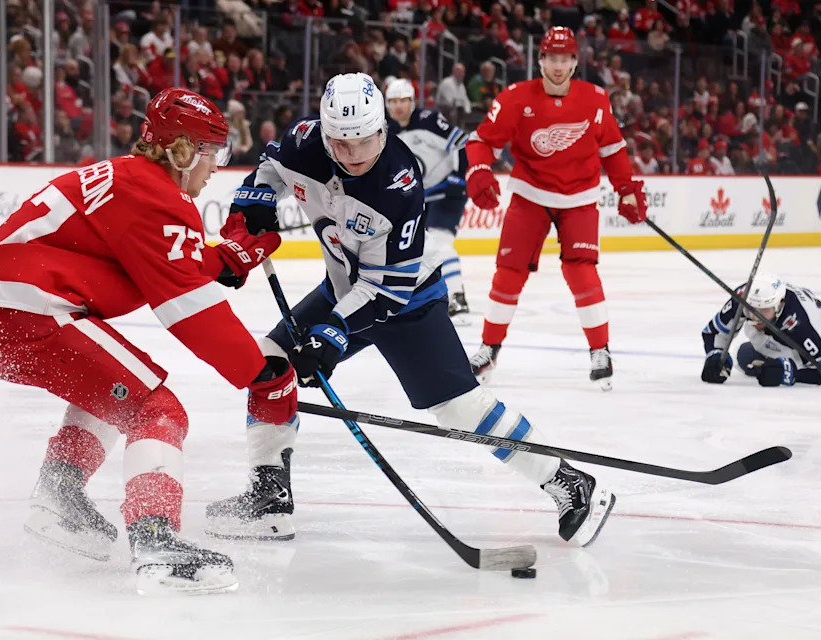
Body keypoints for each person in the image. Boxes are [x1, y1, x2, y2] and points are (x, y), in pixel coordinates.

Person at [205, 73, 615, 549]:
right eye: (342, 143)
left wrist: (332, 333)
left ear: (382, 128)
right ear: (324, 132)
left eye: (366, 140)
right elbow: (271, 168)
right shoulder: (304, 141)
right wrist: (253, 204)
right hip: (340, 288)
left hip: (406, 302)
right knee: (268, 363)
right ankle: (269, 497)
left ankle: (568, 483)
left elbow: (386, 289)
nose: (355, 154)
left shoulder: (397, 185)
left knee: (459, 409)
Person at [0, 88, 294, 596]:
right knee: (158, 409)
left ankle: (60, 492)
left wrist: (228, 258)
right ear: (182, 151)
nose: (216, 167)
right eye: (212, 153)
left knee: (112, 393)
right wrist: (259, 371)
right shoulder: (158, 197)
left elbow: (162, 262)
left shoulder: (129, 178)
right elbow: (187, 309)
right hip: (28, 310)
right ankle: (155, 539)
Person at [464, 27, 648, 389]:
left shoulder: (596, 99)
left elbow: (612, 148)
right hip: (531, 194)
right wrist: (479, 169)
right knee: (509, 272)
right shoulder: (516, 98)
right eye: (552, 58)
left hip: (579, 199)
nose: (559, 66)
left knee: (582, 272)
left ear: (575, 62)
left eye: (565, 59)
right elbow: (482, 140)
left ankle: (600, 351)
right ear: (541, 60)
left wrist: (626, 188)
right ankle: (489, 347)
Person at [385, 78, 472, 323]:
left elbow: (462, 143)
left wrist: (459, 176)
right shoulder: (387, 132)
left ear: (412, 101)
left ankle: (458, 298)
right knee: (420, 248)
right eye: (393, 101)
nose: (399, 106)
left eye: (403, 100)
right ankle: (431, 296)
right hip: (421, 198)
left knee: (441, 240)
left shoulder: (429, 120)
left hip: (447, 192)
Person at [701, 274, 821, 387]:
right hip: (775, 335)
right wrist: (715, 355)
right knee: (745, 357)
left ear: (779, 305)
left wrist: (789, 374)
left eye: (764, 310)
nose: (757, 316)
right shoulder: (744, 297)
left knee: (768, 367)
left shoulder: (801, 324)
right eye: (753, 309)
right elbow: (711, 332)